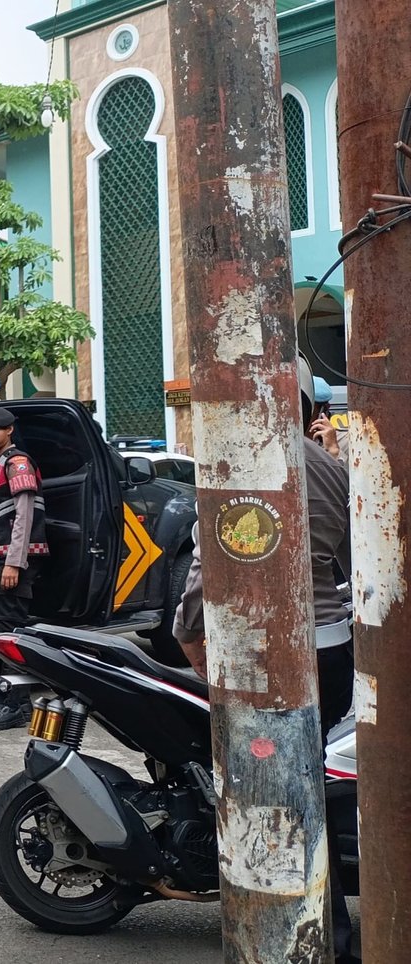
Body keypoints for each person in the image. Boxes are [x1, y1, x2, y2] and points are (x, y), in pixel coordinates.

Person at [173, 355, 353, 961]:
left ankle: (276, 925)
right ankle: (331, 922)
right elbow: (355, 568)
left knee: (262, 791)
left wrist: (189, 635)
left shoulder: (237, 465)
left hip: (256, 658)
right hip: (332, 650)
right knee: (319, 792)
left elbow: (207, 572)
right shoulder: (332, 467)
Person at [0, 405, 48, 731]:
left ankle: (18, 704)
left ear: (9, 431)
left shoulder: (17, 463)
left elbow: (25, 515)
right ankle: (9, 697)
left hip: (15, 559)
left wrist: (14, 563)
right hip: (3, 558)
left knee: (11, 631)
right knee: (6, 626)